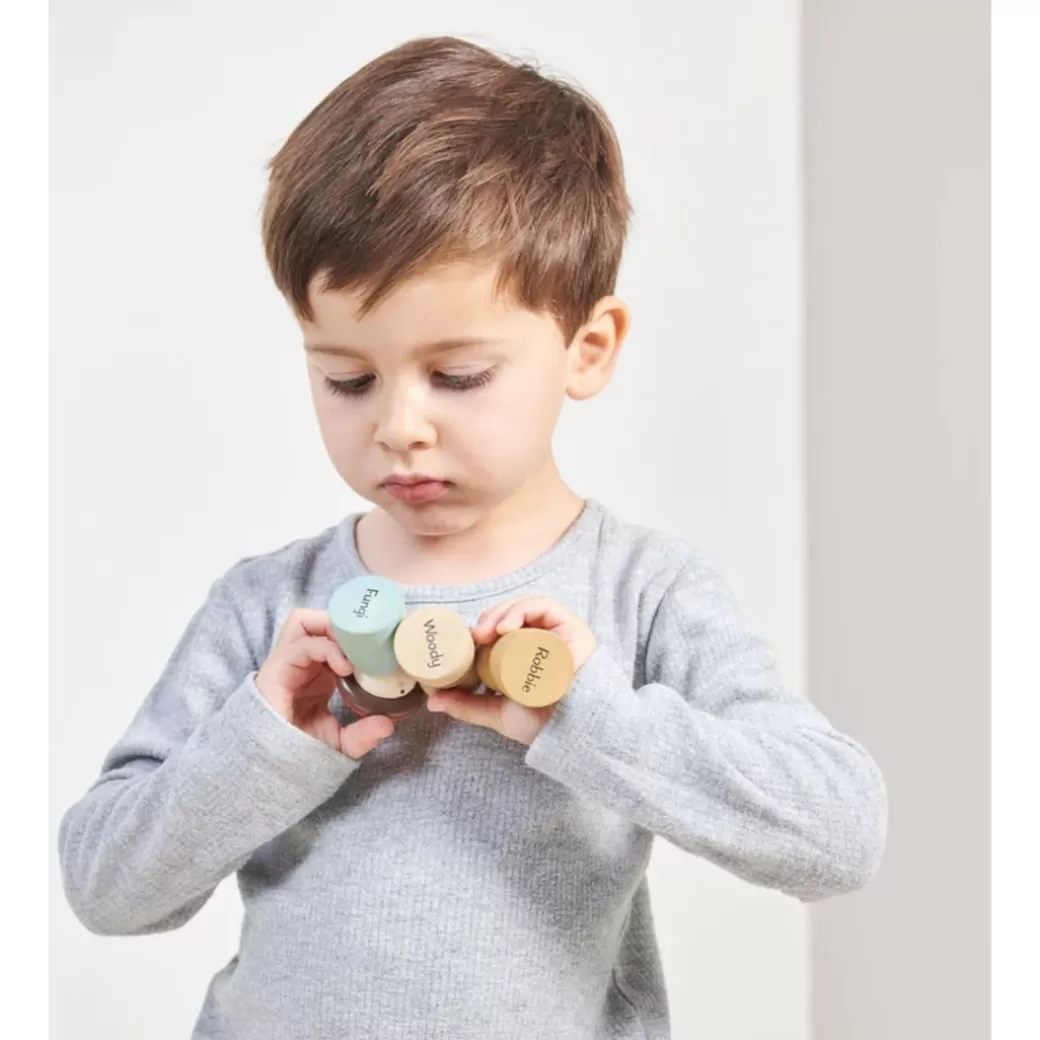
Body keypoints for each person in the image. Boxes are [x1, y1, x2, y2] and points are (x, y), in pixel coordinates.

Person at [57, 35, 887, 1040]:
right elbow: (106, 883)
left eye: (456, 376)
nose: (398, 423)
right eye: (346, 378)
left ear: (588, 348)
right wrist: (266, 737)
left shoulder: (640, 590)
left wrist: (588, 715)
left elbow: (838, 832)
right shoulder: (271, 602)